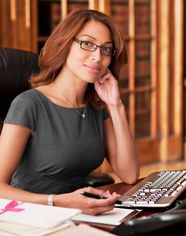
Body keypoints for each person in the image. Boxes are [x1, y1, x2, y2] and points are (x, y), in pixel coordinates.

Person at [0, 9, 139, 215]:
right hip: (30, 215)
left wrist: (116, 105)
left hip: (77, 213)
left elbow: (129, 175)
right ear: (65, 43)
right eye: (87, 44)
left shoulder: (97, 106)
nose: (97, 57)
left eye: (106, 49)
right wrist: (58, 202)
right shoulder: (29, 104)